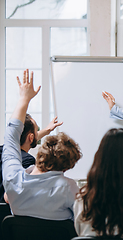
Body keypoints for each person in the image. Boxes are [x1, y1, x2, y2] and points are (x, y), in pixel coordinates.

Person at [2, 69, 82, 220]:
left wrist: (24, 99)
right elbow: (85, 223)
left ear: (40, 154)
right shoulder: (68, 188)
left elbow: (11, 137)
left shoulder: (14, 181)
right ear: (66, 167)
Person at [0, 114, 63, 202]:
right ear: (31, 137)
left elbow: (26, 139)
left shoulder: (3, 150)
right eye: (36, 132)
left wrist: (46, 130)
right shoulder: (27, 161)